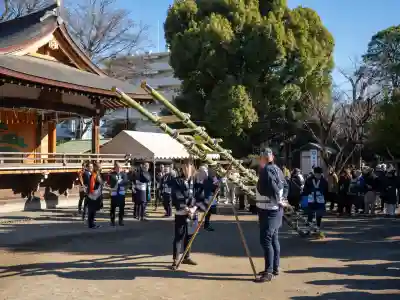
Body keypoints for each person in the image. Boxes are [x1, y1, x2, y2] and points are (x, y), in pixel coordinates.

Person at [255, 148, 288, 283]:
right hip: (274, 208)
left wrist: (277, 199)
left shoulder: (267, 170)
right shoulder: (278, 169)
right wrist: (282, 199)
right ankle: (274, 267)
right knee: (273, 239)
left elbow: (273, 188)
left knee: (266, 240)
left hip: (269, 209)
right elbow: (286, 185)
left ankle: (269, 271)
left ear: (263, 158)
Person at [170, 160, 199, 269]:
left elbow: (199, 194)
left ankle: (186, 257)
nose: (187, 169)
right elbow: (177, 196)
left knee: (190, 235)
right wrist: (187, 209)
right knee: (179, 236)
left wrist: (194, 208)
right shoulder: (177, 181)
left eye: (189, 166)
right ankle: (175, 259)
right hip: (182, 212)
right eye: (185, 167)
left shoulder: (194, 181)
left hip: (193, 212)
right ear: (182, 169)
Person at [303, 166, 328, 231]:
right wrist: (304, 202)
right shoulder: (309, 180)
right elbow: (305, 190)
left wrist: (326, 199)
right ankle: (309, 228)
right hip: (311, 200)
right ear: (314, 173)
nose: (318, 175)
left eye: (320, 174)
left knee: (319, 214)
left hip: (320, 200)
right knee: (310, 214)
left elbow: (326, 191)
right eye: (317, 174)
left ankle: (317, 227)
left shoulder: (324, 181)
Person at [108, 162, 128, 226]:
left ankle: (120, 221)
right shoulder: (111, 174)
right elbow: (109, 183)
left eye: (120, 167)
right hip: (114, 192)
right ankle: (112, 221)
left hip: (121, 192)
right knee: (113, 207)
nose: (119, 169)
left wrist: (125, 188)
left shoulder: (124, 174)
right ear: (115, 168)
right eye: (117, 167)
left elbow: (126, 183)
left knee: (121, 207)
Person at [85, 162, 103, 229]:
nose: (100, 168)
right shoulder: (94, 175)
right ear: (96, 168)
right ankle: (91, 224)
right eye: (99, 167)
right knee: (91, 210)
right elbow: (91, 186)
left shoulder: (97, 174)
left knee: (93, 210)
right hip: (93, 195)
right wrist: (92, 194)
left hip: (96, 194)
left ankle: (92, 224)